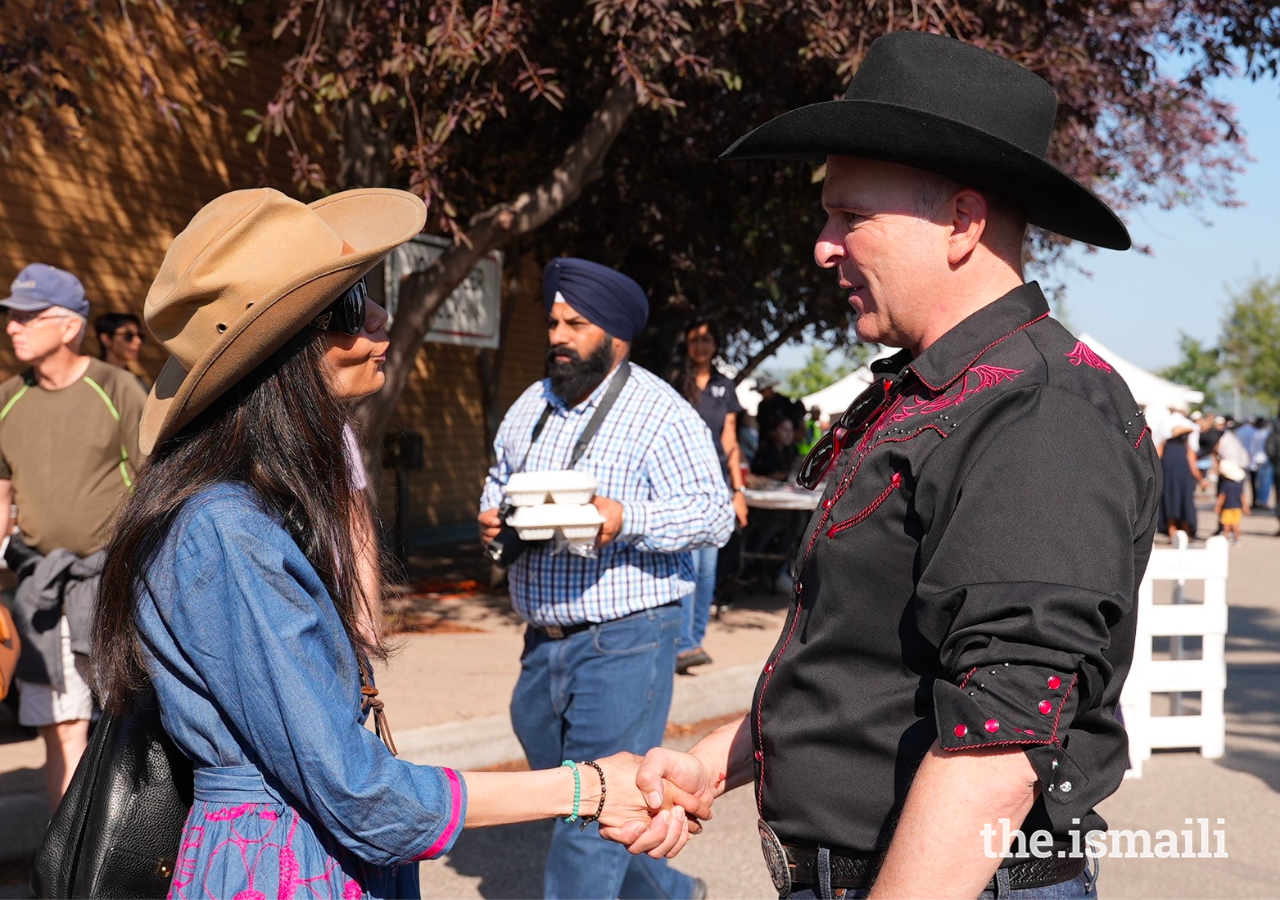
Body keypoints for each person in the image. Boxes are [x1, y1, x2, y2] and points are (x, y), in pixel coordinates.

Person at [620, 32, 1160, 898]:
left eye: (850, 215)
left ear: (961, 223)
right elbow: (865, 657)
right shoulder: (942, 391)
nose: (823, 246)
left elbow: (1001, 743)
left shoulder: (1036, 409)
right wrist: (715, 761)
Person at [91, 190, 702, 900]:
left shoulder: (258, 509)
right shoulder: (224, 530)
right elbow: (360, 794)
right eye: (350, 308)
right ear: (284, 355)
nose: (381, 317)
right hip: (281, 872)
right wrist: (589, 787)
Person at [478, 257, 733, 900]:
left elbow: (715, 514)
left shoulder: (660, 413)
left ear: (616, 336)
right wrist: (491, 519)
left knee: (591, 807)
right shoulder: (529, 406)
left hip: (626, 637)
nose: (558, 335)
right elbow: (499, 480)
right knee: (580, 797)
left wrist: (626, 519)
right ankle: (670, 893)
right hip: (542, 638)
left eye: (577, 324)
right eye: (555, 321)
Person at [0, 262, 146, 808]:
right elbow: (1, 497)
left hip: (111, 586)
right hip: (40, 588)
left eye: (26, 316)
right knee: (59, 729)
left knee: (121, 721)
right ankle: (66, 866)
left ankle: (112, 857)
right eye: (11, 316)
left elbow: (157, 483)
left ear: (67, 326)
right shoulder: (7, 399)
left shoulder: (119, 388)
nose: (13, 326)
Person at [671, 315, 749, 674]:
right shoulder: (675, 383)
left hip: (716, 485)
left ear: (715, 345)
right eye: (693, 339)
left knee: (707, 569)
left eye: (706, 339)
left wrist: (737, 490)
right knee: (687, 563)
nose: (700, 346)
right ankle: (682, 644)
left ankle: (694, 641)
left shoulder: (724, 387)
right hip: (680, 483)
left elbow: (729, 439)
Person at [1158, 423, 1203, 540]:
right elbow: (1193, 467)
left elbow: (1156, 459)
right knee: (1185, 505)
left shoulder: (1165, 444)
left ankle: (1172, 535)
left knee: (1170, 505)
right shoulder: (1186, 448)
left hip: (1168, 481)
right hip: (1184, 482)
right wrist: (1201, 480)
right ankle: (1187, 535)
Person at [93, 310, 149, 388]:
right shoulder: (92, 379)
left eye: (140, 336)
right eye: (128, 336)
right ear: (106, 339)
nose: (138, 341)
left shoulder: (138, 383)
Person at [1215, 460, 1249, 544]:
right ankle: (1238, 538)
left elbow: (1222, 496)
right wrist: (1245, 506)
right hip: (1237, 507)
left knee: (1226, 524)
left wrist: (1218, 506)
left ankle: (1227, 537)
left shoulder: (1225, 485)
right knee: (1236, 524)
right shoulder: (1238, 485)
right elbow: (1242, 496)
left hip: (1228, 507)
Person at [1249, 416, 1273, 510]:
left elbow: (1251, 449)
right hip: (1265, 460)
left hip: (1256, 460)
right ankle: (1263, 502)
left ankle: (1258, 500)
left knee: (1258, 482)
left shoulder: (1255, 433)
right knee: (1265, 483)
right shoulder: (1268, 433)